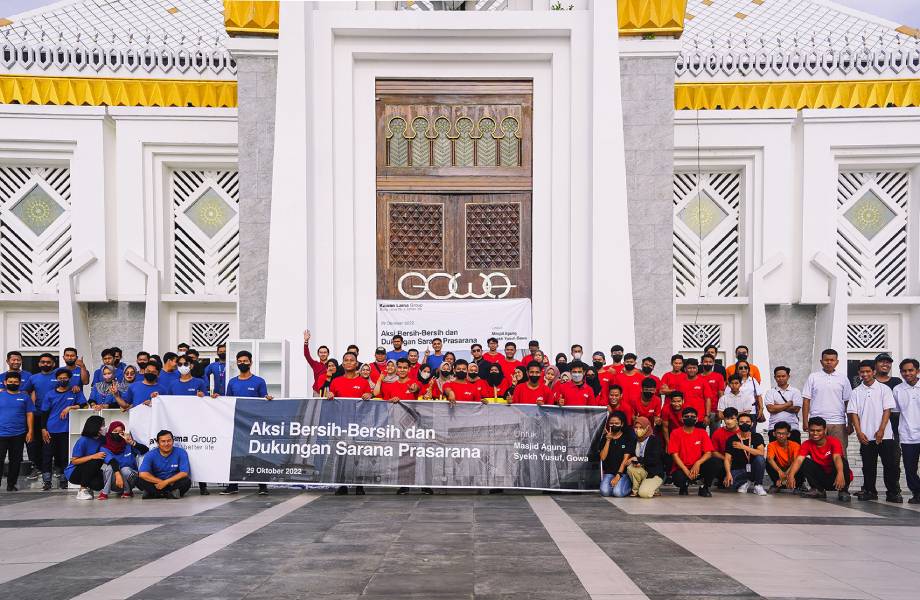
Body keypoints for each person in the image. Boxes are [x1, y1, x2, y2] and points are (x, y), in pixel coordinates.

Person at [848, 360, 900, 502]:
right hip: (866, 435)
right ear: (859, 373)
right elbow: (854, 413)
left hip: (885, 435)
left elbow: (887, 410)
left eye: (868, 371)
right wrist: (858, 432)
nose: (865, 374)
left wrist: (882, 429)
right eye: (862, 372)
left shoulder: (884, 389)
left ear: (874, 372)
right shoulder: (856, 392)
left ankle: (892, 492)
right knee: (868, 466)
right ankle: (870, 491)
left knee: (889, 465)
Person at [41, 368, 90, 490]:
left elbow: (85, 405)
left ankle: (64, 480)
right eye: (60, 378)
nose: (62, 380)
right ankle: (47, 481)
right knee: (47, 455)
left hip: (67, 430)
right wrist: (43, 429)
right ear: (56, 379)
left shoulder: (75, 392)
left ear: (70, 379)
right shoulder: (50, 394)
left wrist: (70, 407)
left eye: (65, 378)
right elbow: (44, 412)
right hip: (51, 429)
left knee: (64, 456)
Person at [786, 417, 851, 501]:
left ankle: (843, 491)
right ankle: (818, 490)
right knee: (804, 461)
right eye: (812, 430)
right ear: (808, 430)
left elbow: (837, 457)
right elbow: (799, 460)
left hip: (837, 476)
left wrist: (840, 474)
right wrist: (791, 475)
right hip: (821, 477)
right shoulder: (806, 444)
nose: (815, 433)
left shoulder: (834, 441)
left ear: (825, 430)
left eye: (819, 430)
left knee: (842, 460)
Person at [802, 349, 852, 457]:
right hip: (816, 421)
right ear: (821, 361)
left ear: (837, 362)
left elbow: (848, 401)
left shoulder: (843, 378)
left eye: (832, 360)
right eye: (826, 360)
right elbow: (806, 399)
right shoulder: (813, 377)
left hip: (838, 422)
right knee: (817, 454)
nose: (829, 362)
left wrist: (850, 423)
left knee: (839, 454)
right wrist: (805, 421)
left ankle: (841, 474)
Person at [668, 407, 716, 497]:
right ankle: (684, 486)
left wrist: (697, 463)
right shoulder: (676, 432)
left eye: (692, 416)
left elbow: (709, 453)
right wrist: (687, 471)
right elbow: (674, 455)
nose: (690, 419)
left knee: (715, 462)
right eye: (686, 416)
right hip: (682, 467)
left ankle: (704, 487)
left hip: (697, 467)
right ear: (682, 419)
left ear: (697, 419)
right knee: (679, 479)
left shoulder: (702, 432)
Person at [0, 371, 35, 491]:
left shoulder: (25, 397)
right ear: (5, 383)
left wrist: (30, 431)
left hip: (19, 433)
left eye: (15, 382)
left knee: (15, 460)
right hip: (1, 433)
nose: (13, 383)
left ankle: (11, 485)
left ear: (20, 383)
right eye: (10, 382)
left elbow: (29, 414)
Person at [875, 353, 903, 496]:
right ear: (875, 365)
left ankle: (894, 490)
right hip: (871, 428)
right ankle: (869, 488)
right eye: (882, 362)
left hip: (894, 428)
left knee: (892, 461)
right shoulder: (869, 381)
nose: (885, 364)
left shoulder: (897, 382)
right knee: (869, 461)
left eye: (888, 362)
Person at [98, 421, 149, 499]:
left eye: (121, 432)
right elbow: (112, 461)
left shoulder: (127, 443)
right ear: (110, 433)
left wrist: (131, 442)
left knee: (125, 469)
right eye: (115, 431)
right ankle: (105, 492)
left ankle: (128, 491)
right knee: (109, 468)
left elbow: (145, 450)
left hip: (129, 479)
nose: (118, 434)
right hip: (114, 481)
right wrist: (118, 476)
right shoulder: (104, 448)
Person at [893, 358, 920, 504]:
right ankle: (917, 493)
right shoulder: (898, 389)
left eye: (910, 370)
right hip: (908, 435)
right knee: (910, 468)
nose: (907, 373)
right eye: (904, 370)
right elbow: (896, 411)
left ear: (918, 371)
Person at [137, 430, 192, 499]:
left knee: (186, 482)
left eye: (169, 441)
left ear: (173, 441)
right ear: (158, 443)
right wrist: (163, 482)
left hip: (173, 482)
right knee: (138, 480)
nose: (166, 444)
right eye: (163, 441)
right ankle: (169, 494)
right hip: (156, 483)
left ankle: (153, 493)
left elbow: (184, 473)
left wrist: (167, 482)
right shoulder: (150, 454)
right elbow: (142, 474)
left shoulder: (181, 452)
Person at [723, 413, 767, 495]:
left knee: (760, 459)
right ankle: (745, 482)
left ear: (752, 424)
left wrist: (743, 447)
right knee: (728, 485)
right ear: (737, 424)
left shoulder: (757, 437)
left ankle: (758, 485)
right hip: (739, 469)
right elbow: (727, 459)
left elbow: (761, 452)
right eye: (742, 422)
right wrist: (728, 474)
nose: (745, 424)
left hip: (753, 468)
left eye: (747, 422)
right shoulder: (732, 439)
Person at [65, 415, 107, 499]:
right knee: (93, 462)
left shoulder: (103, 439)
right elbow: (75, 461)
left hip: (92, 470)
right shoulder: (83, 440)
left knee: (99, 484)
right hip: (74, 472)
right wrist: (93, 456)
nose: (105, 427)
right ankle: (82, 490)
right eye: (102, 424)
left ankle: (88, 488)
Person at [598, 411, 635, 497]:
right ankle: (618, 485)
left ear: (622, 424)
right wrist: (608, 440)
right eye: (611, 423)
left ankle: (631, 487)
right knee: (604, 492)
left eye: (616, 423)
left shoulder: (627, 438)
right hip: (610, 472)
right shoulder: (605, 438)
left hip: (623, 473)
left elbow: (625, 459)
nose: (613, 425)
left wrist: (618, 476)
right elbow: (603, 457)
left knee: (617, 493)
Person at [626, 416, 664, 498]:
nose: (638, 430)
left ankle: (653, 488)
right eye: (636, 427)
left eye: (641, 427)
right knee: (631, 468)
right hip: (642, 470)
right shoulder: (634, 441)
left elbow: (654, 459)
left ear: (647, 427)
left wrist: (638, 459)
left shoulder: (654, 440)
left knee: (644, 494)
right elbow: (632, 455)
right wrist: (635, 462)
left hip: (654, 473)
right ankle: (636, 491)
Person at [764, 366, 803, 443]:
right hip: (774, 429)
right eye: (778, 376)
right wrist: (788, 404)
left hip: (793, 428)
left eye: (783, 376)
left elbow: (796, 409)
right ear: (774, 377)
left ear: (788, 377)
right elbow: (770, 409)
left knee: (795, 453)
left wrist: (777, 405)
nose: (781, 378)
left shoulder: (795, 391)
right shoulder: (770, 392)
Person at [765, 421, 801, 494]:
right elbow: (770, 459)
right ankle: (776, 484)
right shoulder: (772, 445)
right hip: (780, 469)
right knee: (767, 461)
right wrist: (779, 471)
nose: (781, 436)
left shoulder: (795, 445)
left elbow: (796, 461)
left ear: (788, 434)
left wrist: (785, 474)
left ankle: (799, 485)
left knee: (801, 462)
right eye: (778, 433)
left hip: (792, 470)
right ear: (774, 434)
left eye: (784, 433)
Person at [677, 359, 714, 429]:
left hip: (700, 417)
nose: (692, 370)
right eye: (689, 368)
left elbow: (708, 399)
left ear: (697, 369)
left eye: (694, 368)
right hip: (685, 416)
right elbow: (678, 400)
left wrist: (707, 416)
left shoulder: (703, 382)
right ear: (685, 369)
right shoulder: (680, 383)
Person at [710, 406, 741, 488]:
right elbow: (713, 452)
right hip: (723, 460)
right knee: (714, 461)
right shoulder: (717, 433)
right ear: (723, 419)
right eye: (727, 418)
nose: (730, 421)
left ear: (736, 418)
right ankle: (721, 479)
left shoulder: (742, 432)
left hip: (738, 461)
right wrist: (727, 459)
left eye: (732, 418)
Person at [735, 361, 765, 427]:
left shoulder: (753, 380)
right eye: (740, 368)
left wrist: (761, 409)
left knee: (752, 431)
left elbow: (759, 396)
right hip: (738, 410)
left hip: (752, 411)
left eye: (746, 367)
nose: (743, 369)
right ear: (737, 370)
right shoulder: (734, 381)